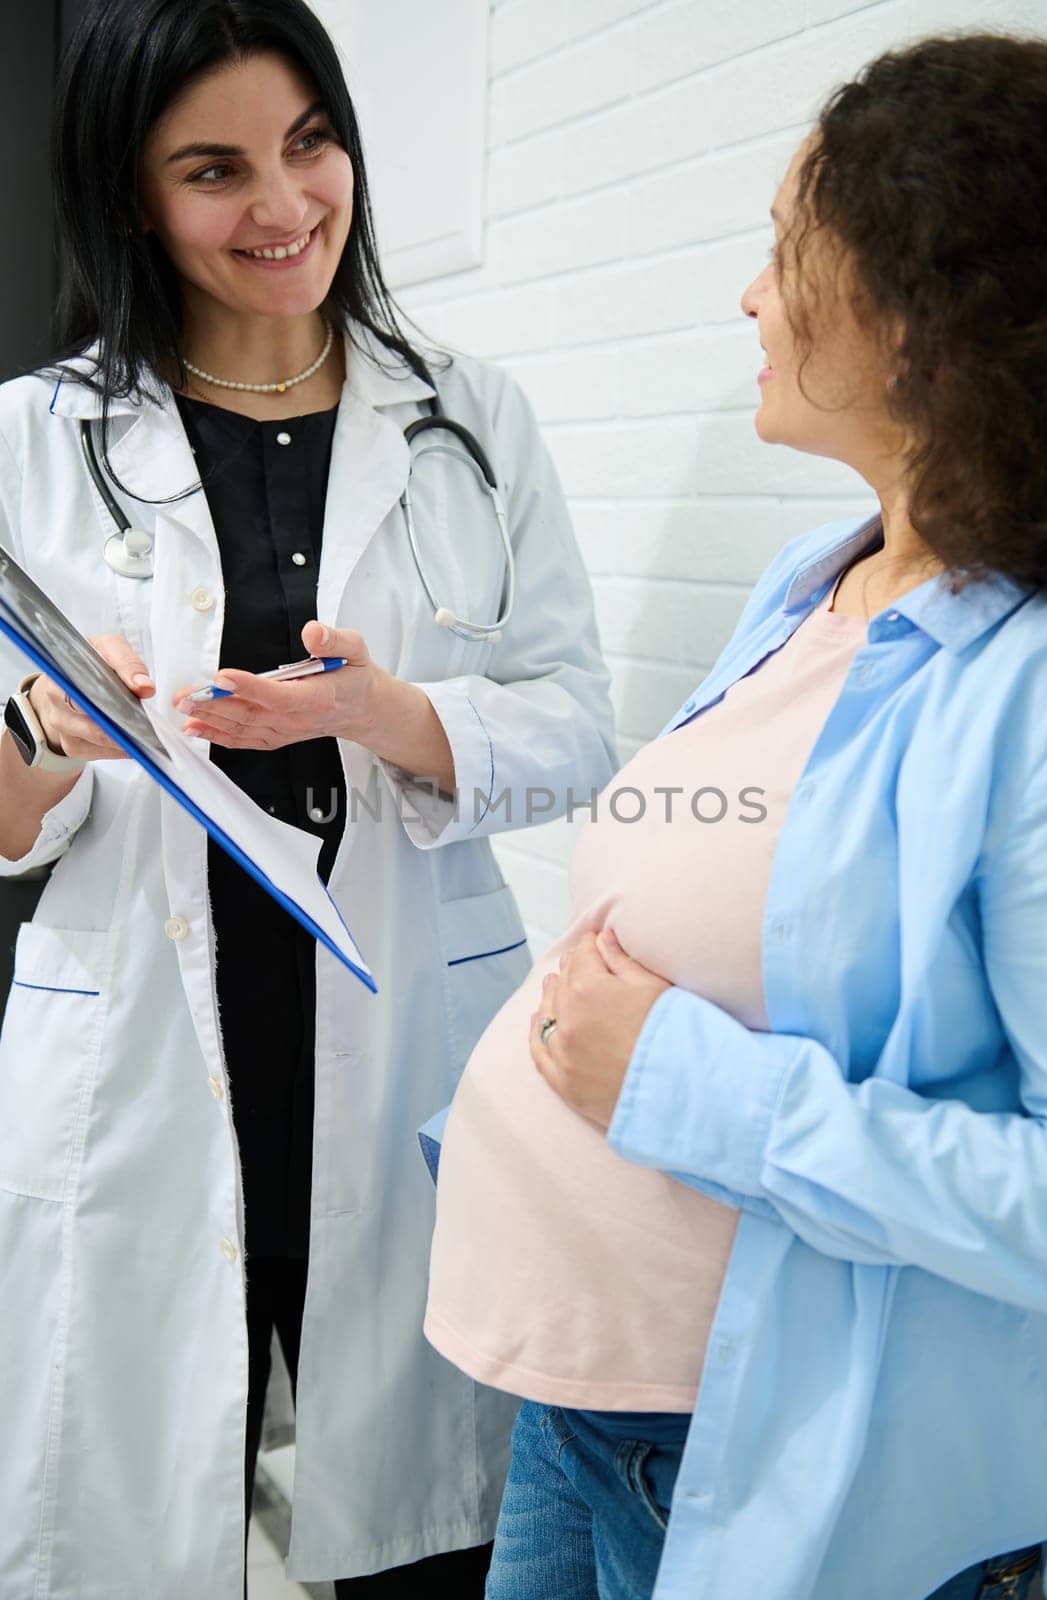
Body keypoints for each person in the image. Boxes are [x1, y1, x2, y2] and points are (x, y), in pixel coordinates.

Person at [424, 32, 1047, 1600]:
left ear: (920, 318)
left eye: (786, 252)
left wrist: (683, 1088)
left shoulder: (1038, 690)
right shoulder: (822, 583)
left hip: (761, 1467)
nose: (751, 298)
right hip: (589, 1415)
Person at [0, 1, 615, 1596]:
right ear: (133, 194)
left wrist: (392, 715)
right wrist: (57, 741)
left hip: (407, 1014)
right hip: (142, 1033)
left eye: (311, 144)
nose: (283, 208)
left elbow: (575, 733)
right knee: (129, 1499)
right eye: (214, 170)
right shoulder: (31, 440)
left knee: (426, 1526)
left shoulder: (470, 418)